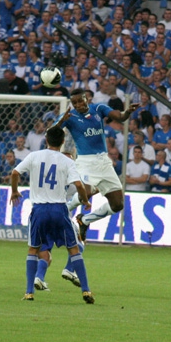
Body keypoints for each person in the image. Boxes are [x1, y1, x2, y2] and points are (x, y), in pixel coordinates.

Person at [9, 125, 93, 303]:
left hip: (39, 209)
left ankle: (29, 292)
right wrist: (85, 200)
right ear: (63, 142)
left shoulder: (34, 156)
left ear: (46, 140)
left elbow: (15, 172)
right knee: (74, 249)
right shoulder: (67, 161)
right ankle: (86, 291)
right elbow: (79, 185)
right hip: (59, 209)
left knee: (33, 249)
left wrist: (15, 191)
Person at [50, 91, 138, 241]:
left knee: (118, 205)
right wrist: (60, 122)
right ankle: (62, 210)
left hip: (103, 161)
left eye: (80, 101)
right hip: (85, 161)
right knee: (87, 192)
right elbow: (50, 133)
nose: (78, 105)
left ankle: (84, 221)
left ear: (87, 99)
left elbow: (120, 117)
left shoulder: (98, 109)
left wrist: (127, 112)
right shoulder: (70, 117)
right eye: (75, 103)